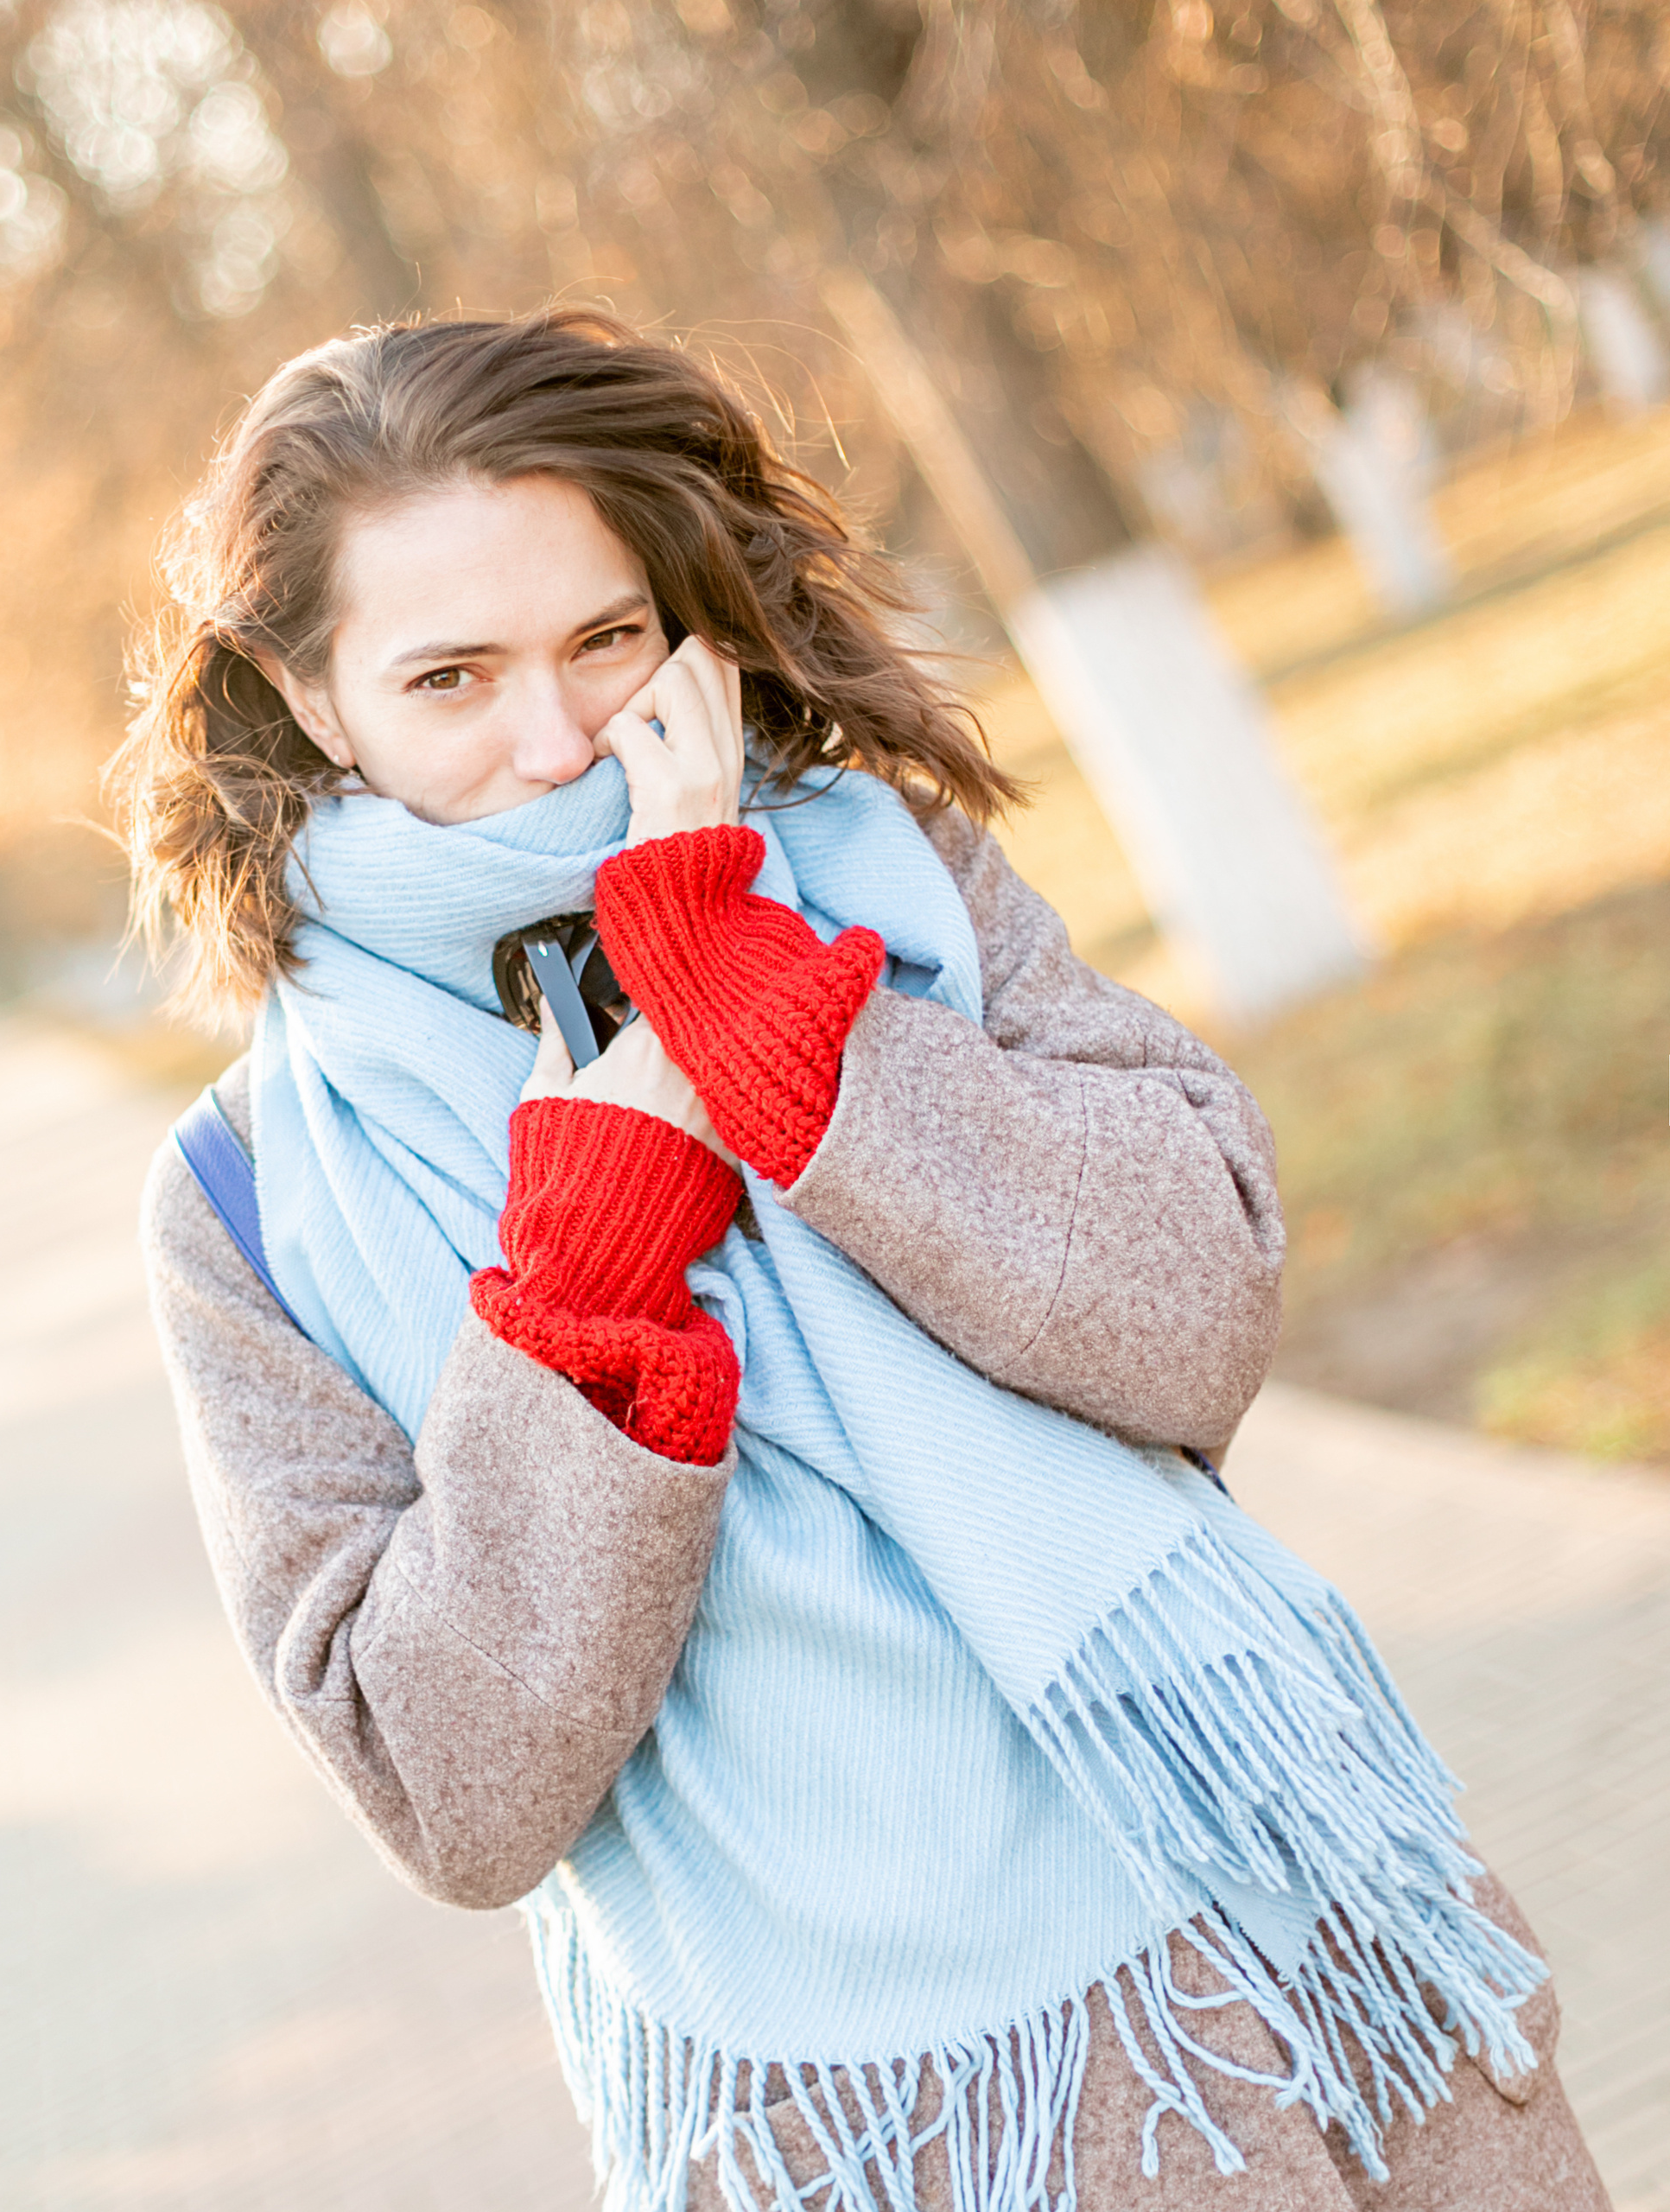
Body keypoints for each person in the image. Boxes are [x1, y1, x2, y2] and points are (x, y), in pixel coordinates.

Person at [117, 310, 1607, 2212]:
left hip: (1302, 1937)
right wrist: (588, 1264)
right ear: (309, 694)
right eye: (449, 676)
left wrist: (767, 1013)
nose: (555, 739)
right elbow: (453, 1785)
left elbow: (1200, 1304)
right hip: (872, 2122)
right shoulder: (246, 1199)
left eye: (601, 640)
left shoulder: (874, 879)